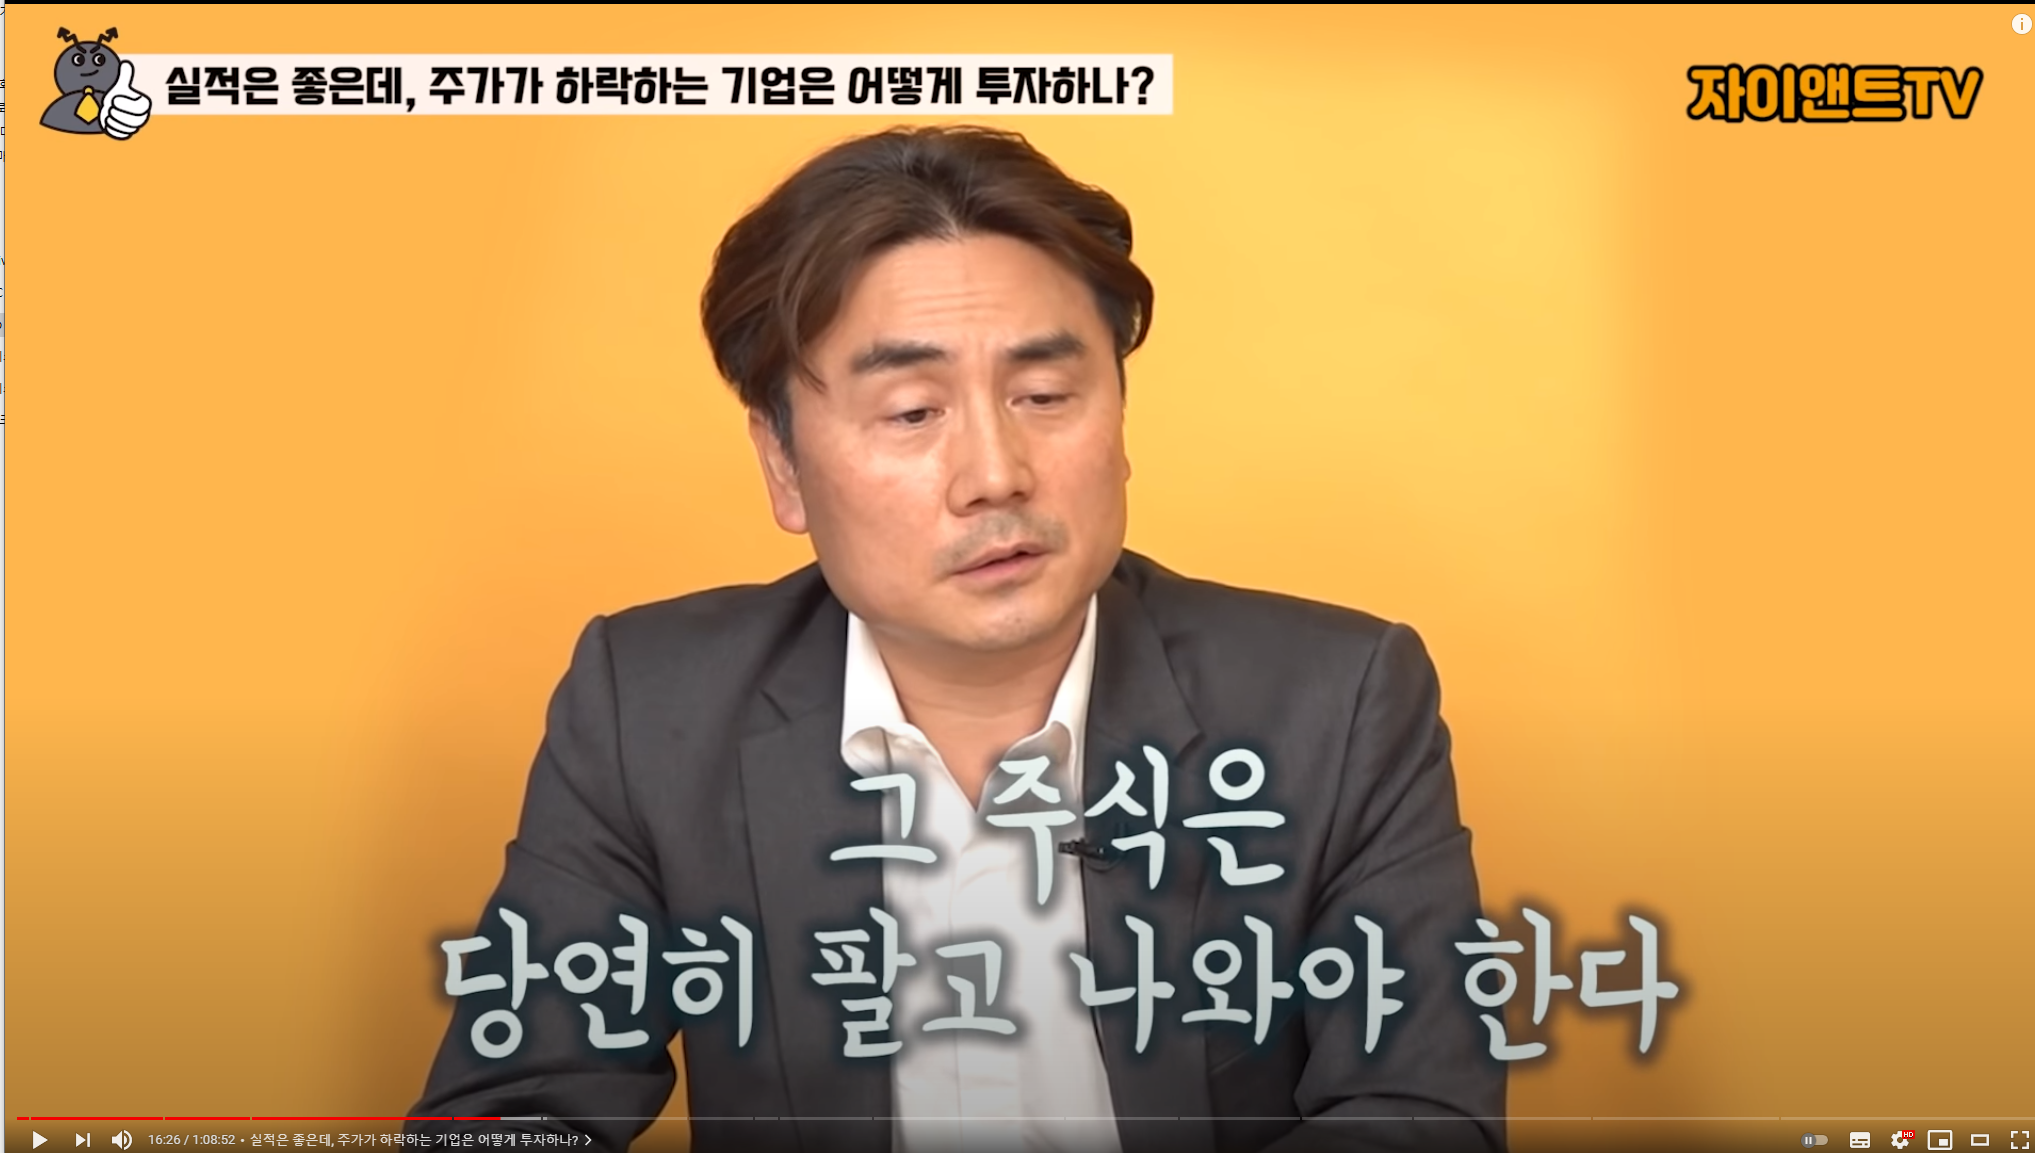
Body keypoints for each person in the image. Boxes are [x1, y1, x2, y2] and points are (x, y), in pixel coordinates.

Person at [410, 125, 1504, 1153]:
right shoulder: (650, 709)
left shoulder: (1336, 702)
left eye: (1044, 393)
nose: (994, 474)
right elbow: (511, 1105)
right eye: (912, 412)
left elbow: (1419, 1113)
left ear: (1120, 416)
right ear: (783, 465)